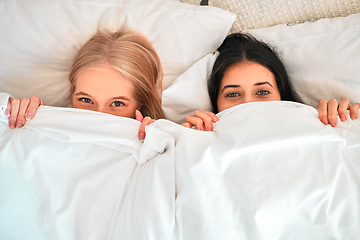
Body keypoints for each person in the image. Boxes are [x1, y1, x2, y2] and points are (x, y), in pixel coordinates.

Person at [4, 29, 164, 140]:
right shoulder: (47, 130)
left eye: (117, 103)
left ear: (140, 103)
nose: (98, 117)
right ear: (72, 95)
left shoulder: (162, 143)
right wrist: (10, 113)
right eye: (86, 100)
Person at [183, 33, 360, 130]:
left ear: (281, 95)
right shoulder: (198, 139)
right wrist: (181, 142)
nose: (249, 105)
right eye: (233, 94)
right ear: (216, 104)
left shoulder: (322, 127)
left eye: (262, 92)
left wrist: (348, 123)